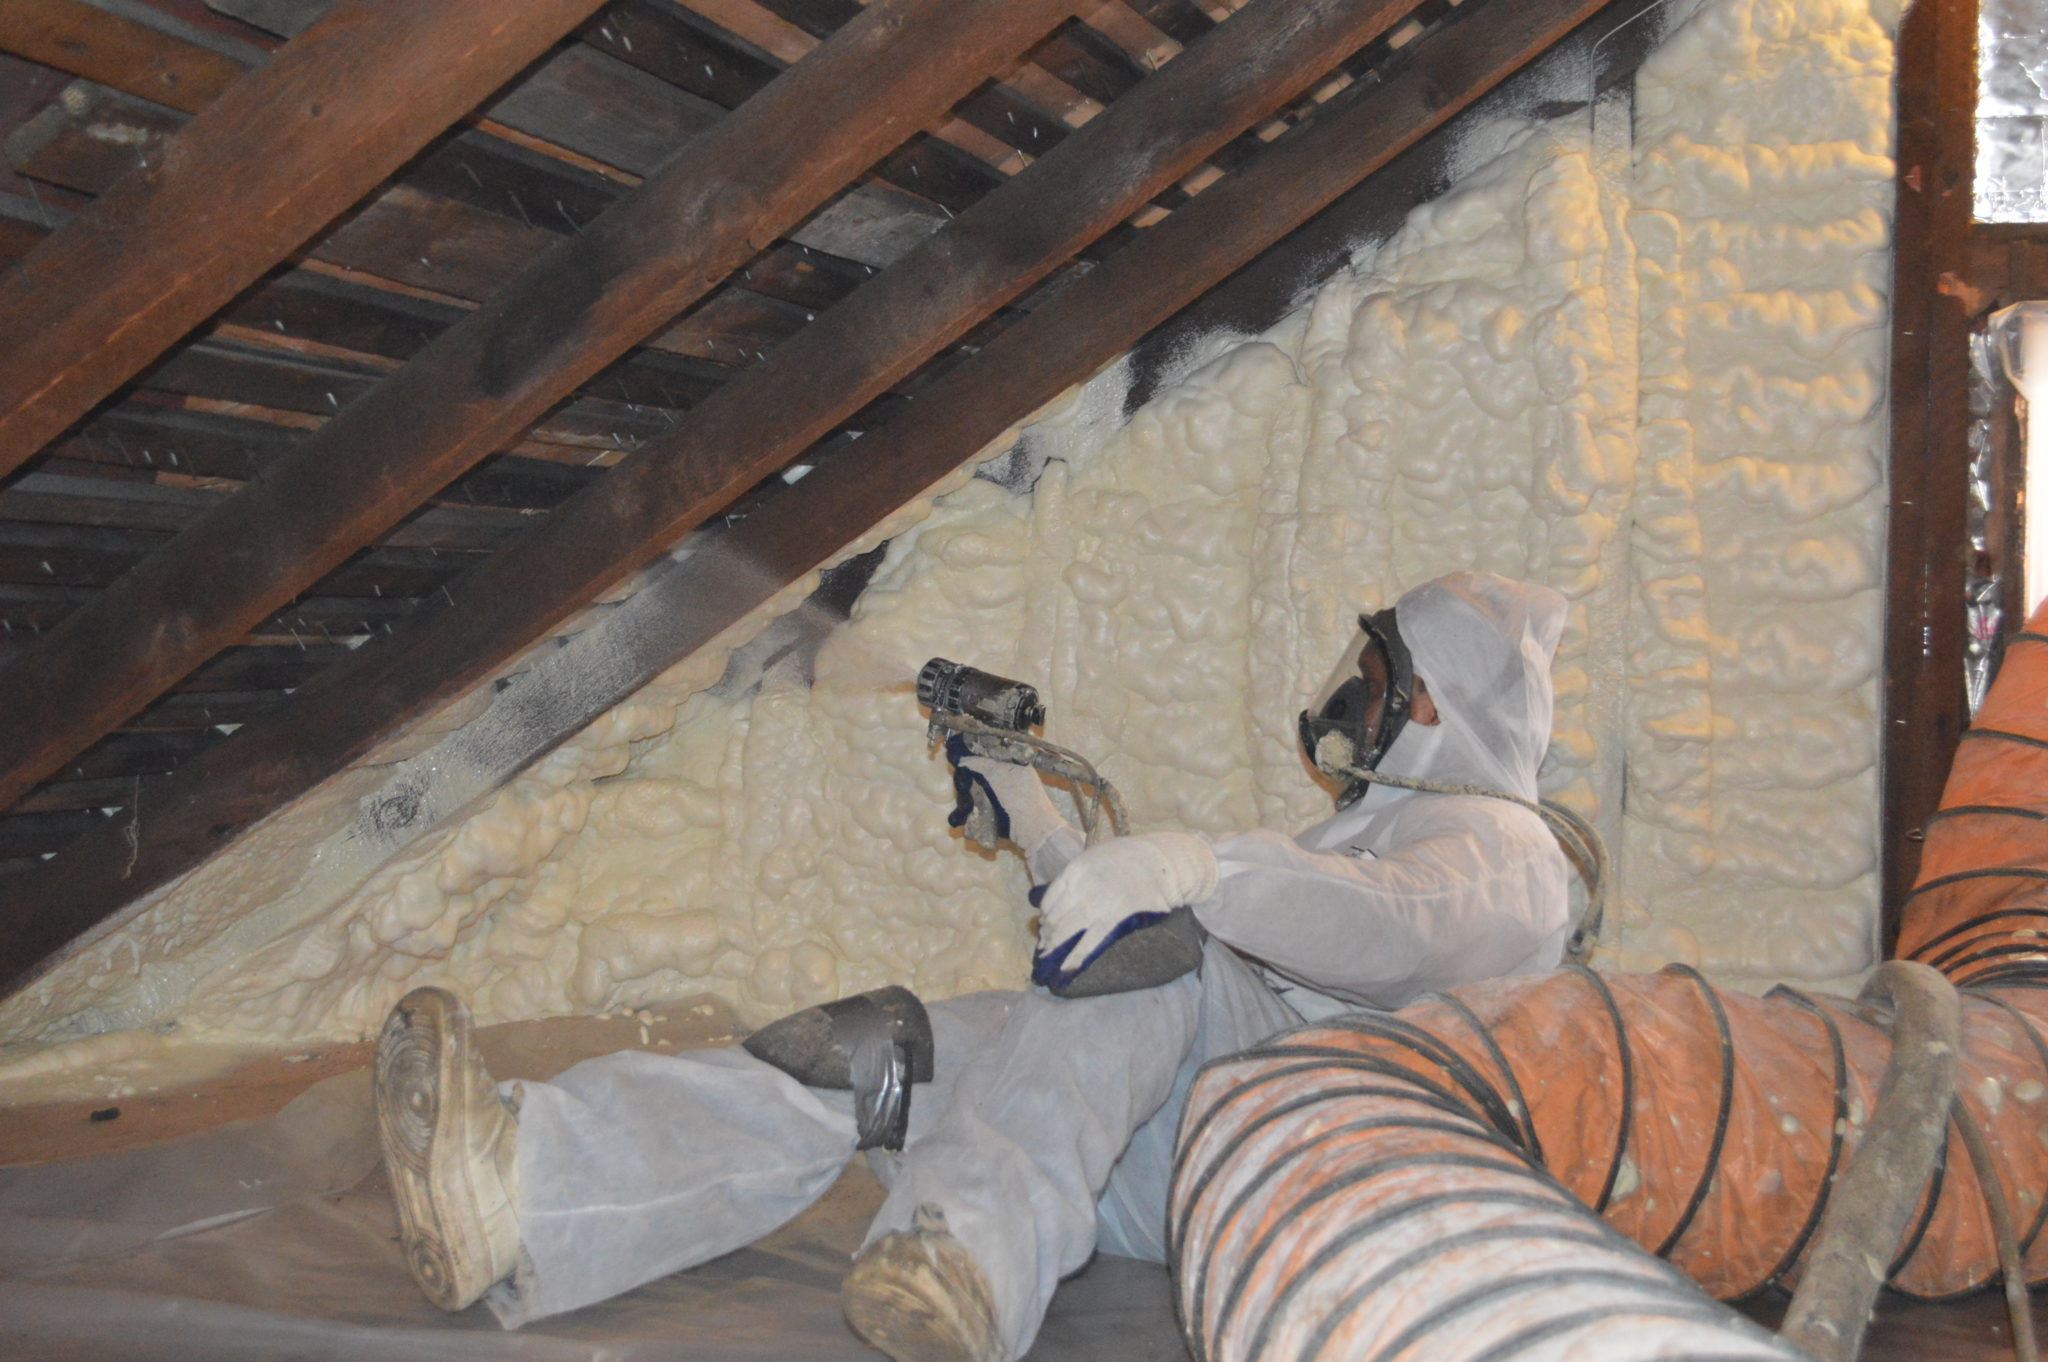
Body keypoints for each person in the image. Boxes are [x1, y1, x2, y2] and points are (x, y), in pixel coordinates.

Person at [372, 571, 1574, 1362]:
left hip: (1301, 1160)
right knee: (878, 1052)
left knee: (1150, 944)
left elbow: (1385, 931)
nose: (1347, 709)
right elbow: (1119, 998)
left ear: (1429, 704)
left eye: (1373, 684)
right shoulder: (1371, 832)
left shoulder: (1504, 851)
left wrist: (1192, 870)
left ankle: (961, 1250)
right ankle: (528, 1191)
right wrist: (1038, 824)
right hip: (1171, 1146)